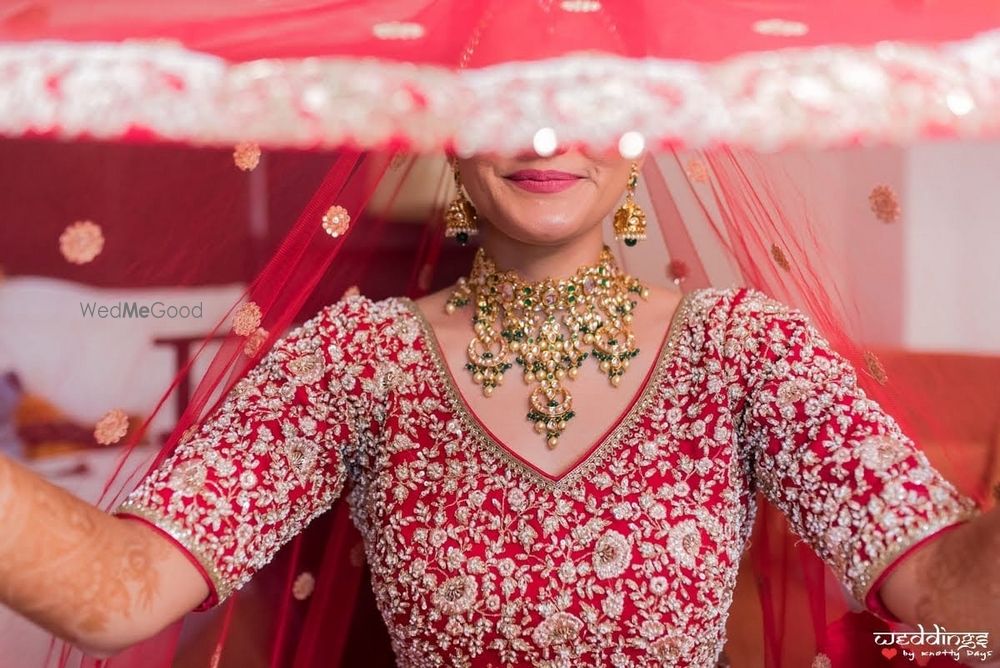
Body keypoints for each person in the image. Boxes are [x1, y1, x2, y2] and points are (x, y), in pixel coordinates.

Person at [0, 148, 997, 667]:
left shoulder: (745, 354)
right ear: (445, 117)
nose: (539, 132)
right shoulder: (355, 363)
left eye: (575, 93)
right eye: (500, 94)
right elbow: (119, 590)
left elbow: (953, 607)